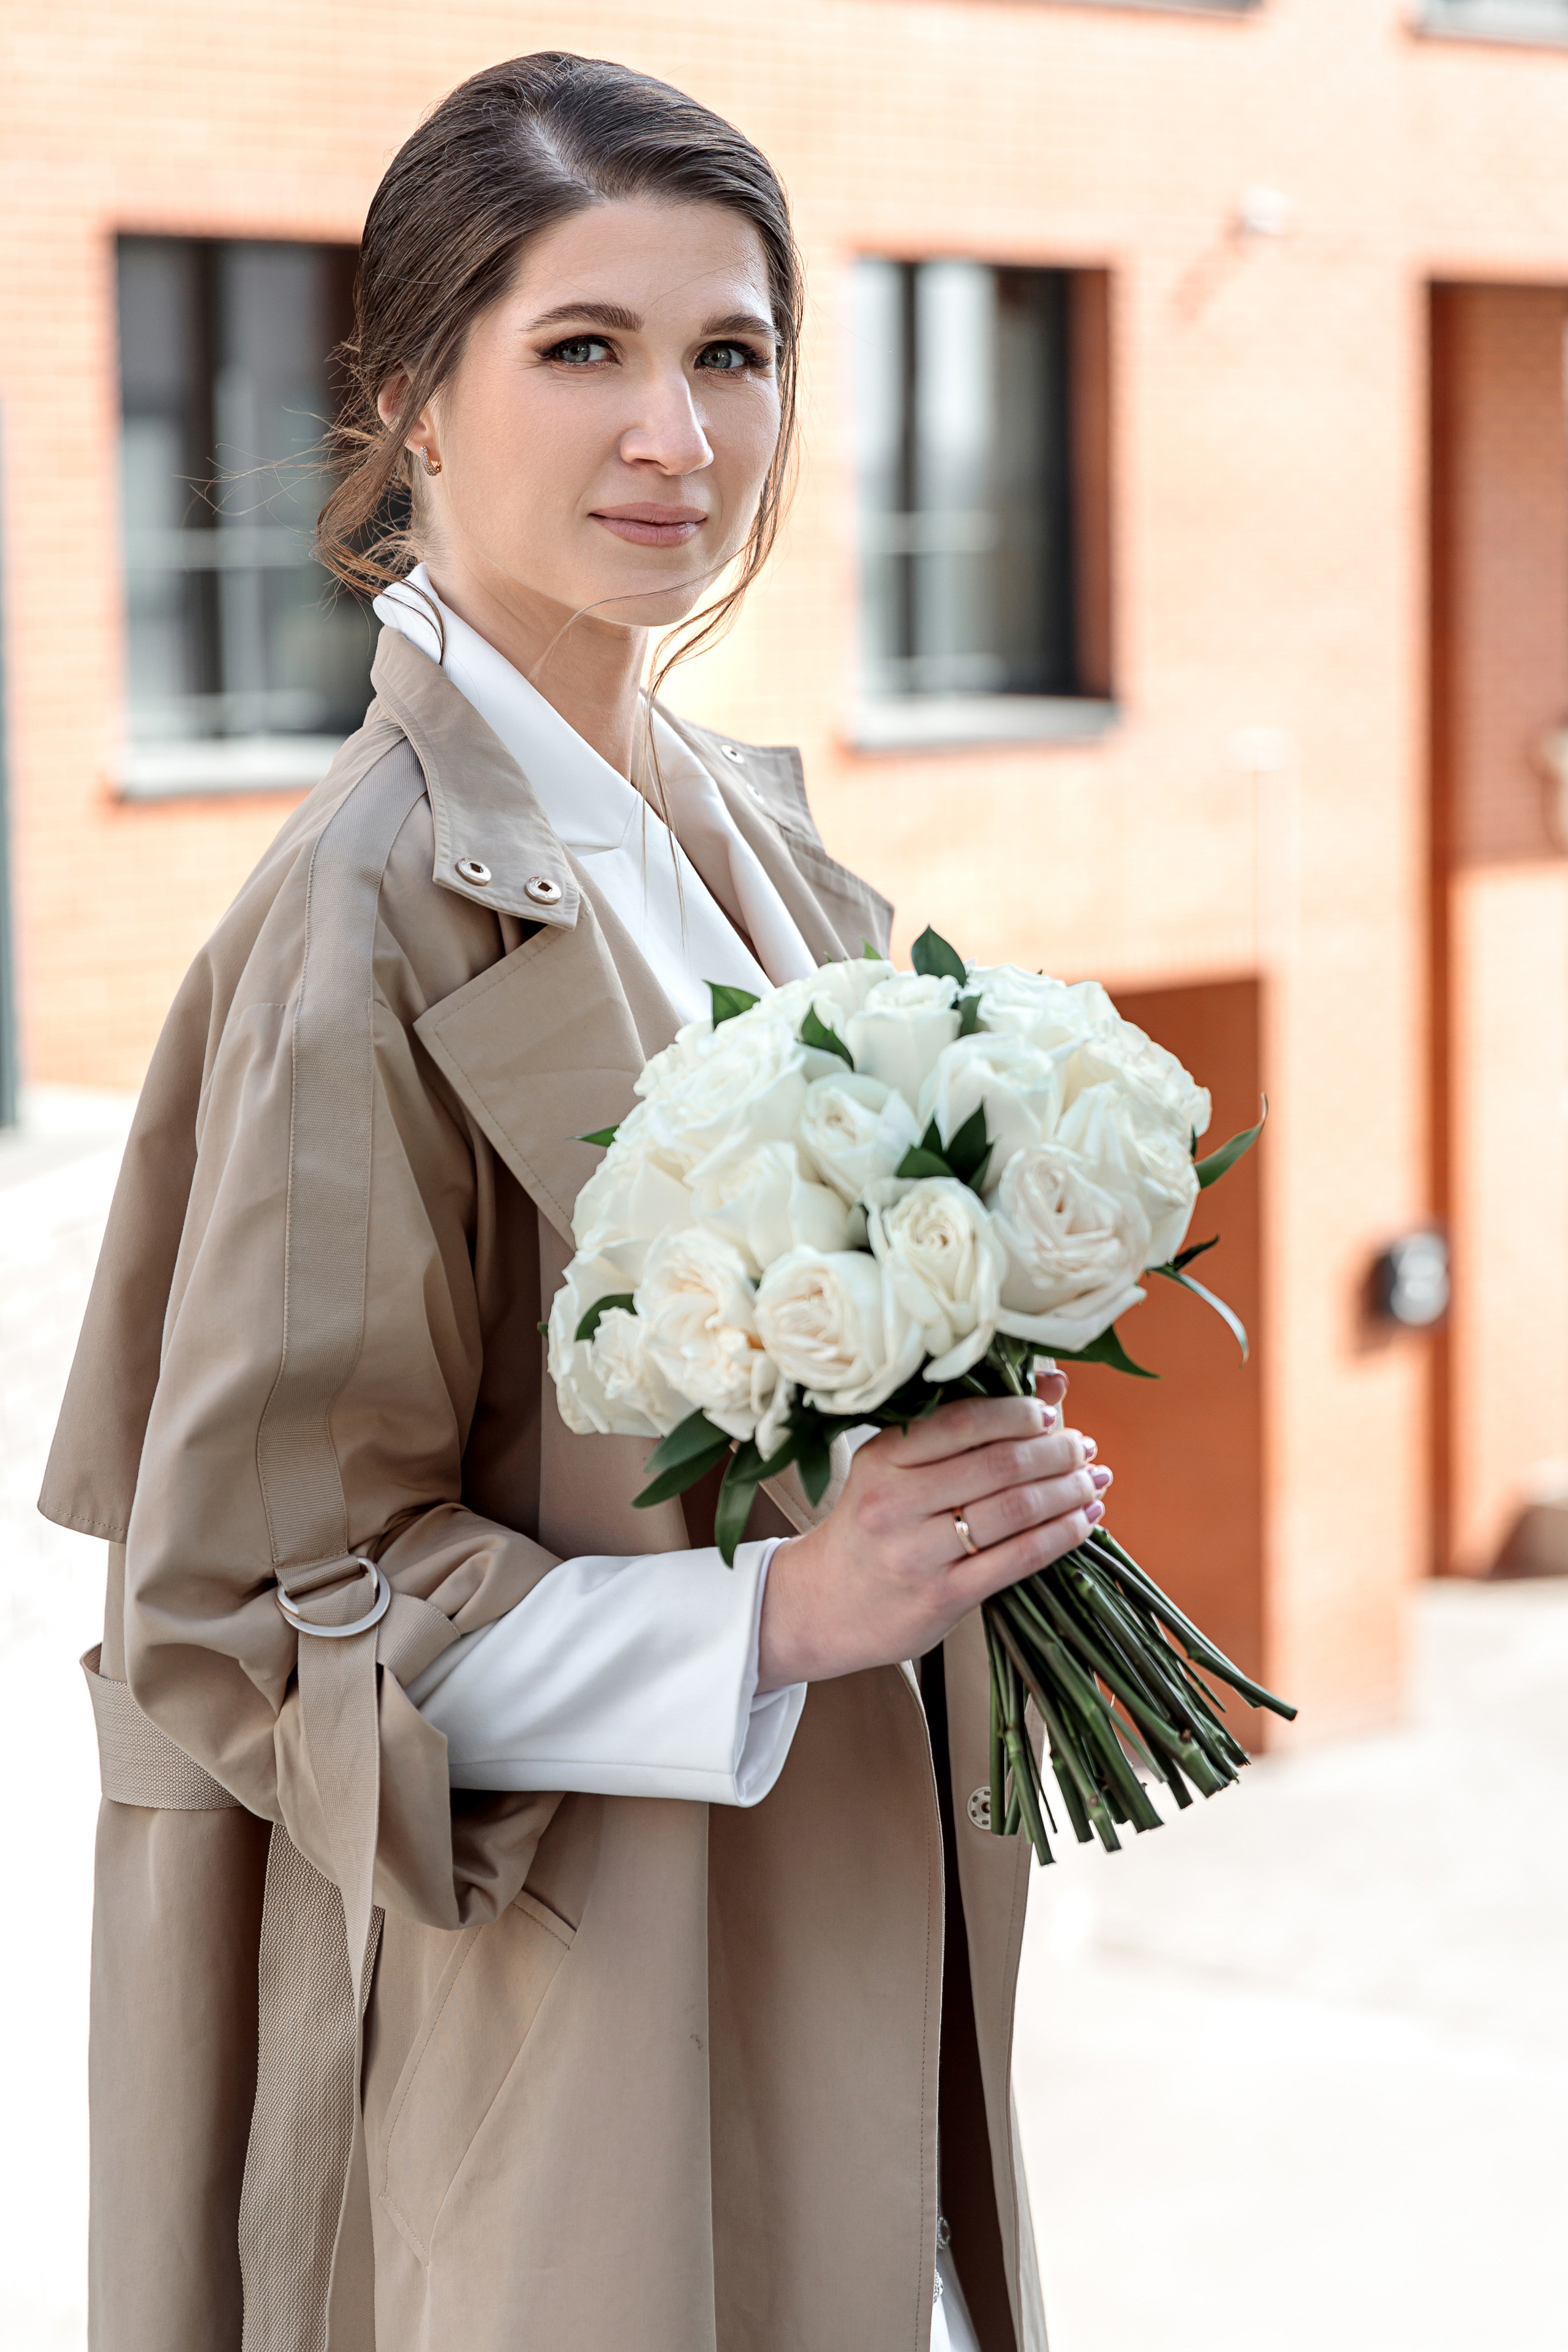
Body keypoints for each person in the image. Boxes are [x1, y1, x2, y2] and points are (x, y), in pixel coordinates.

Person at [43, 51, 1109, 2352]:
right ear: (415, 395)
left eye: (732, 352)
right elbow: (250, 1607)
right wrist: (774, 1616)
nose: (679, 436)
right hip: (573, 2050)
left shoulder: (751, 845)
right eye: (587, 350)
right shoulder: (368, 919)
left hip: (824, 1972)